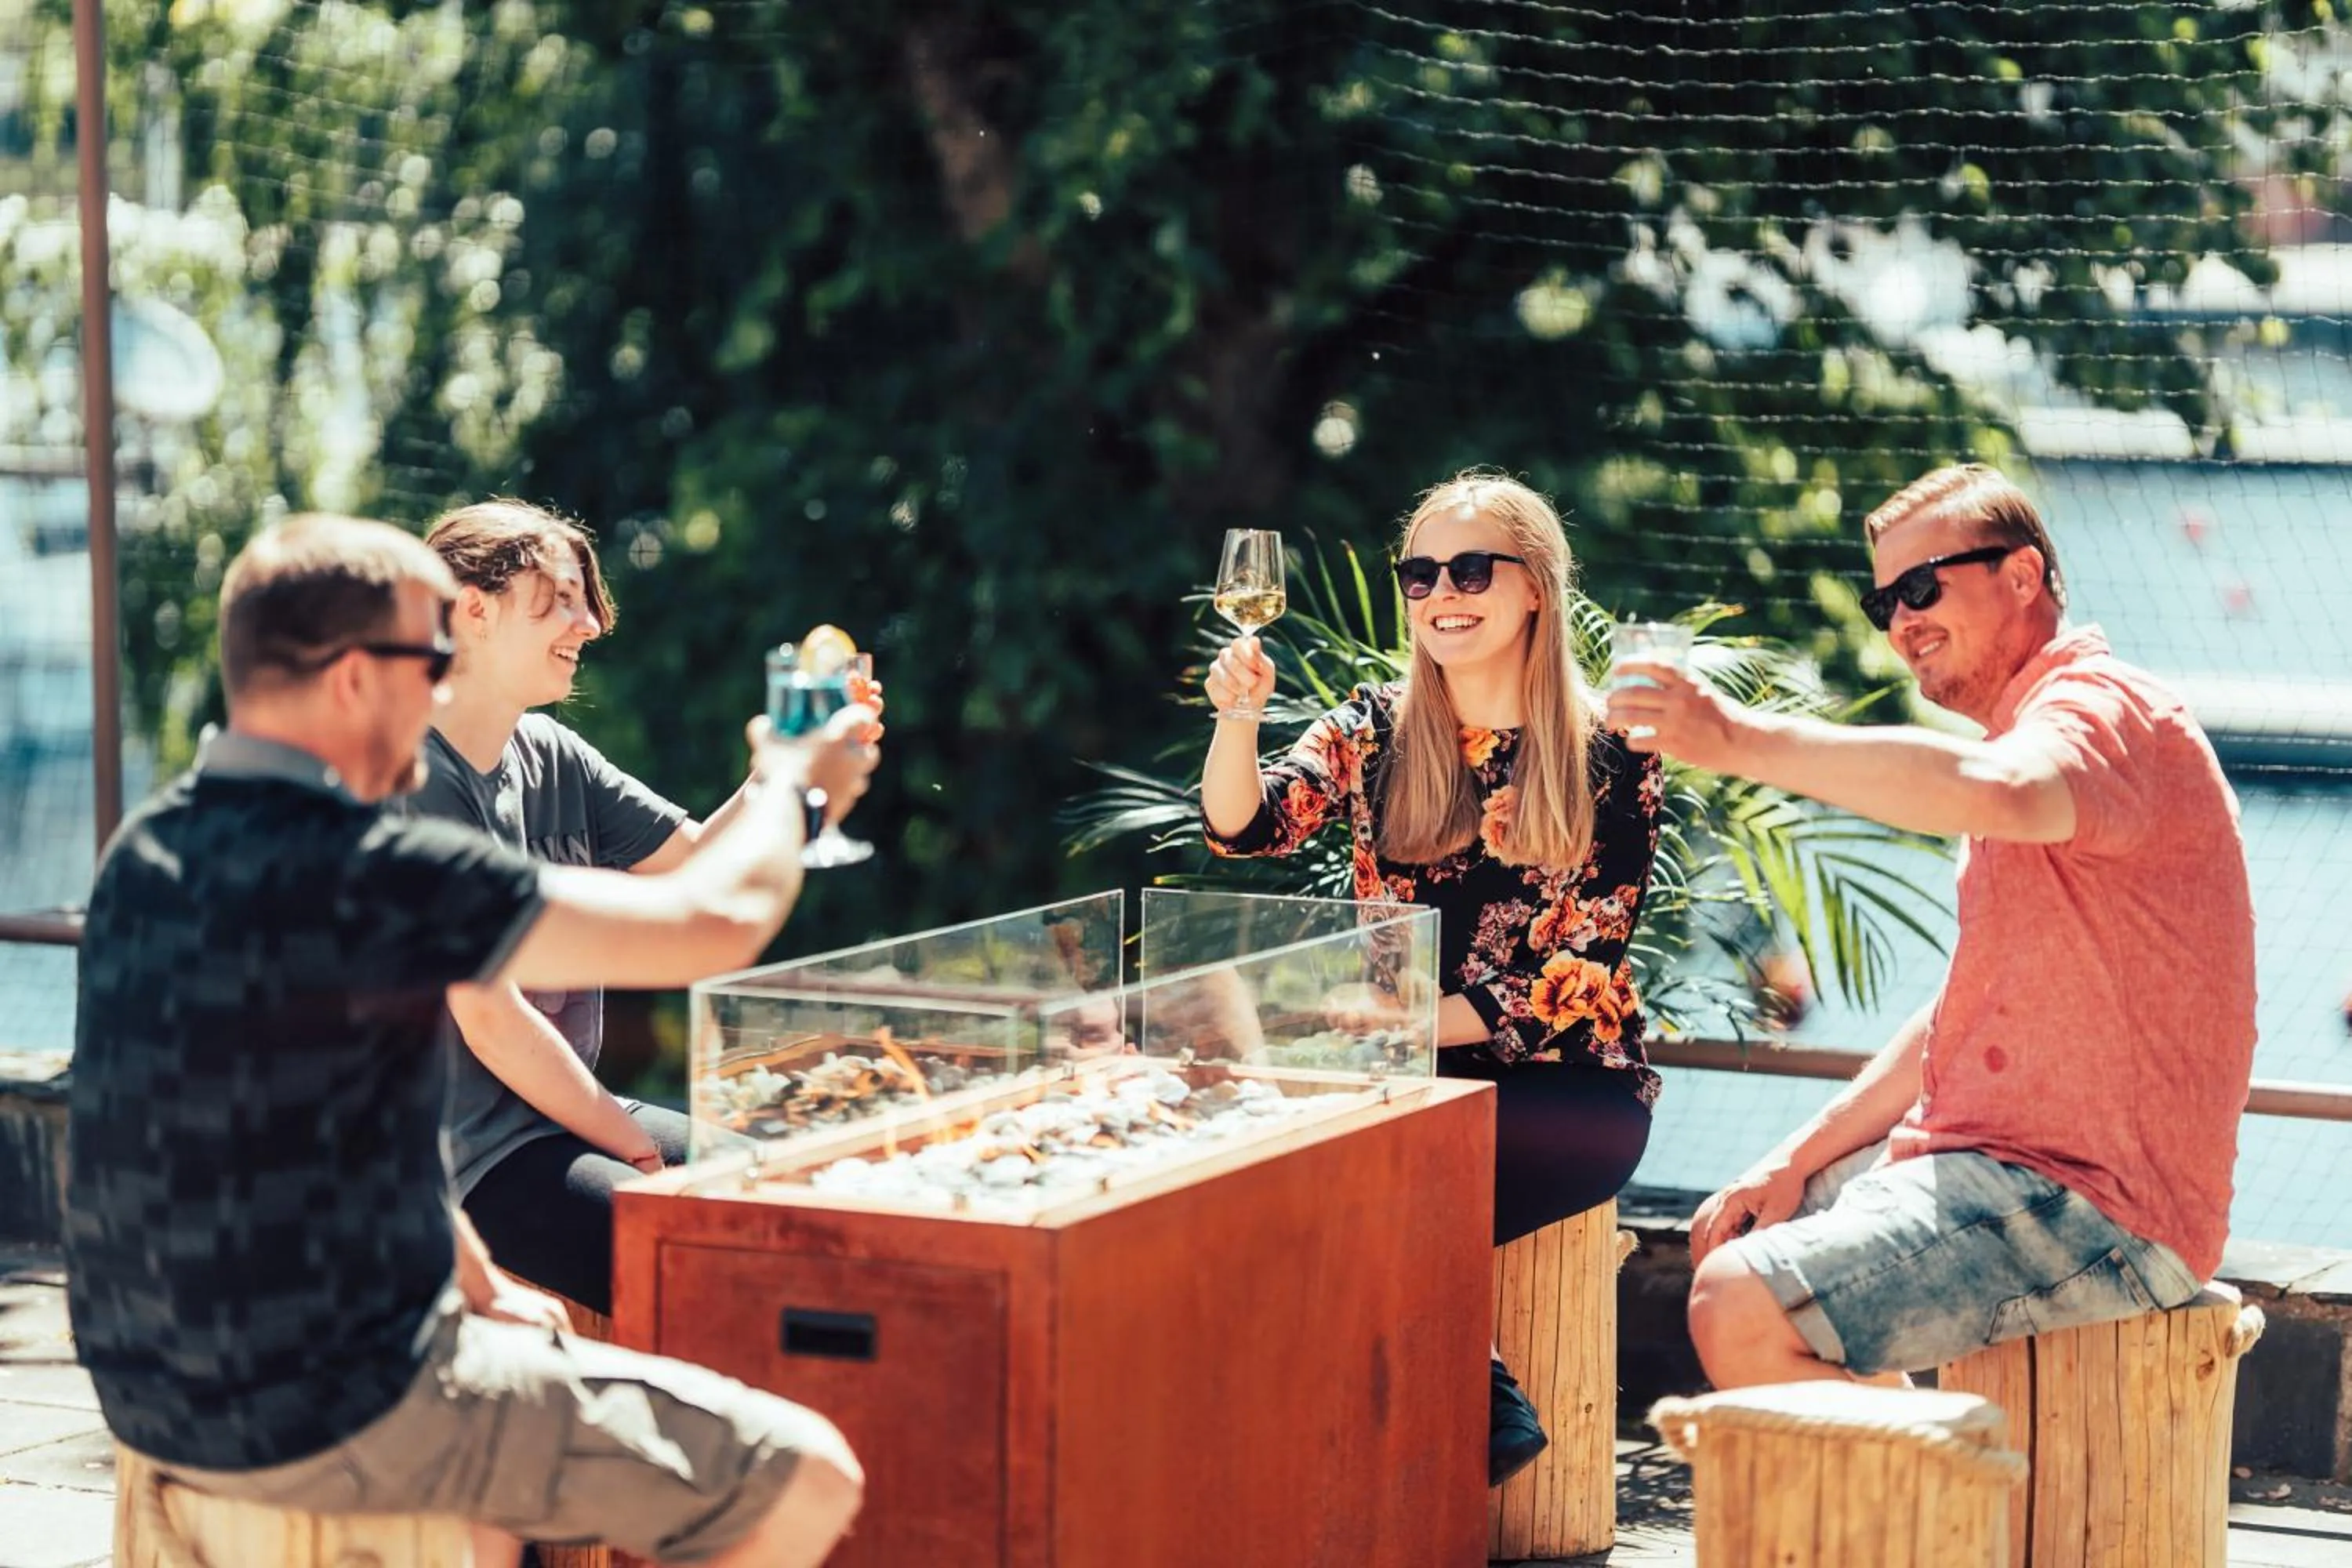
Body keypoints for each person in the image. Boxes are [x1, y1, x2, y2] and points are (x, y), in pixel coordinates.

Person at [67, 514, 878, 1568]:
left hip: (156, 1390)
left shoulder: (150, 850)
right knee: (810, 1476)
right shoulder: (364, 860)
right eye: (432, 658)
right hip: (332, 1406)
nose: (442, 690)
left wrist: (482, 1285)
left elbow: (341, 1121)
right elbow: (716, 922)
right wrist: (793, 780)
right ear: (357, 678)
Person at [1606, 463, 2256, 1388]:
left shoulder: (2103, 710)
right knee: (1759, 1228)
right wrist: (1794, 1157)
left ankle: (1952, 1510)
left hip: (2097, 1205)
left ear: (2023, 576)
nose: (1902, 622)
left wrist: (1736, 738)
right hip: (1994, 1162)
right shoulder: (2027, 733)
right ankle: (1916, 1503)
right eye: (1884, 604)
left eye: (1923, 587)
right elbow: (1972, 1007)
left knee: (1740, 1302)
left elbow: (1998, 790)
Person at [1200, 470, 1664, 1486]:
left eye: (1468, 568)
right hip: (1407, 1078)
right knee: (1272, 1189)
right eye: (1419, 573)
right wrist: (1237, 719)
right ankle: (1450, 1422)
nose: (1440, 592)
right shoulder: (1372, 730)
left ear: (1535, 584)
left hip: (1564, 1094)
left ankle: (1460, 1429)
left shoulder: (1614, 753)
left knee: (1355, 1198)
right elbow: (1246, 827)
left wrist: (1388, 1033)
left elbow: (1575, 979)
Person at [409, 499, 806, 1315]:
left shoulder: (548, 750)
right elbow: (490, 1017)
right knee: (708, 1273)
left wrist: (787, 768)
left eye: (584, 599)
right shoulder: (417, 779)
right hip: (467, 1160)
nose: (588, 622)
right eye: (556, 598)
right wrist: (627, 1144)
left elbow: (698, 864)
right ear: (471, 611)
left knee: (788, 1196)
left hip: (566, 1115)